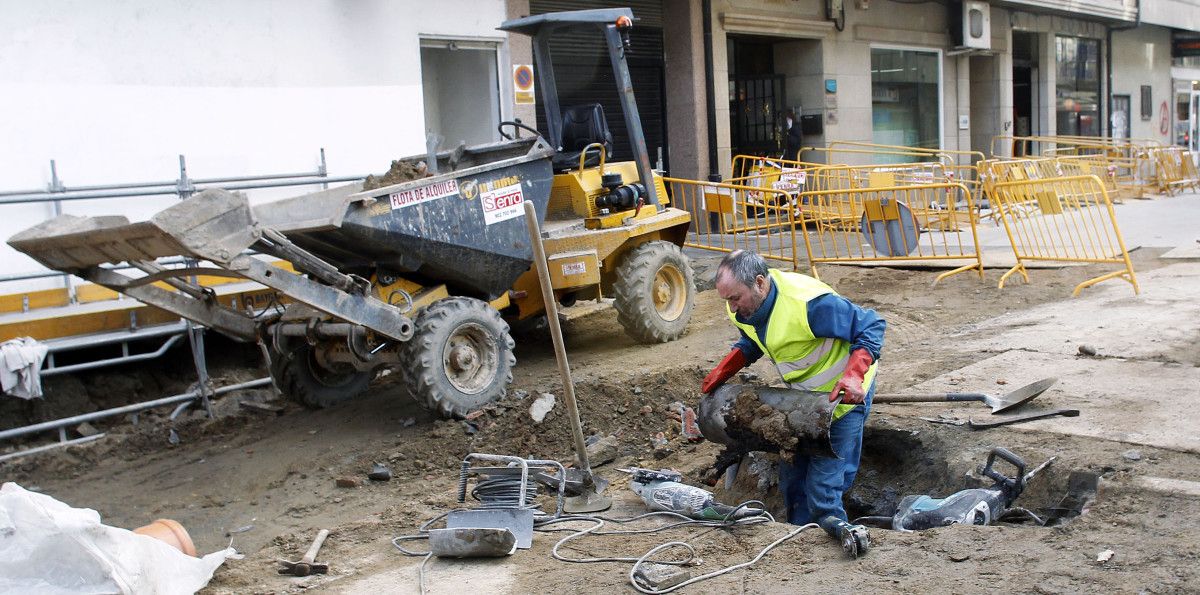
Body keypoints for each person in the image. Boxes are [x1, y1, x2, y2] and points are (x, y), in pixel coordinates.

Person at [701, 250, 885, 544]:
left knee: (825, 482)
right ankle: (798, 538)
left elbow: (871, 325)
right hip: (802, 400)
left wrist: (853, 375)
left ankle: (834, 536)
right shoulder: (743, 306)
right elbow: (755, 338)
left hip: (843, 397)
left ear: (760, 283)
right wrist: (727, 367)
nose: (732, 308)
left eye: (735, 298)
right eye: (727, 300)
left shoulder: (807, 304)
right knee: (793, 474)